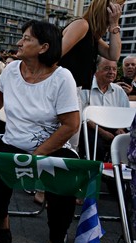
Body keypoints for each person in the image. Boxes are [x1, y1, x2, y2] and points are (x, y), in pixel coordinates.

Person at [0, 20, 80, 243]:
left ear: (44, 47)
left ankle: (55, 241)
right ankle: (2, 218)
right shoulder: (13, 70)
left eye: (26, 38)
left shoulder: (62, 78)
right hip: (13, 142)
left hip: (52, 146)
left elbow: (71, 125)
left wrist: (38, 155)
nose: (19, 42)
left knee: (64, 188)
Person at [58, 0, 123, 150]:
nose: (119, 12)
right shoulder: (82, 25)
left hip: (74, 92)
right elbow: (55, 56)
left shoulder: (91, 34)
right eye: (118, 8)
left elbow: (114, 54)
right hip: (62, 92)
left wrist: (114, 25)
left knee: (69, 145)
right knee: (66, 144)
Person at [79, 56, 130, 161]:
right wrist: (103, 133)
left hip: (115, 126)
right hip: (91, 127)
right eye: (107, 68)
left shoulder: (119, 91)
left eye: (114, 69)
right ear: (96, 70)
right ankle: (98, 173)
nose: (111, 72)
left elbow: (125, 115)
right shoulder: (84, 89)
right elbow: (84, 117)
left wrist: (120, 129)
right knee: (96, 146)